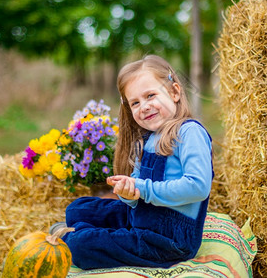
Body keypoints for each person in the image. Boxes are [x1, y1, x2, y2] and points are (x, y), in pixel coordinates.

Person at [50, 55, 213, 270]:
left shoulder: (189, 132)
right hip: (141, 219)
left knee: (80, 247)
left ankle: (79, 238)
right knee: (78, 208)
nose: (144, 106)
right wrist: (129, 195)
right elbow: (137, 189)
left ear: (174, 92)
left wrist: (142, 189)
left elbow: (198, 187)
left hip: (169, 239)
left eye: (150, 95)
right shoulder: (146, 138)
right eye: (135, 102)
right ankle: (88, 231)